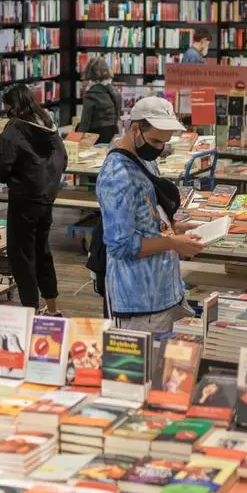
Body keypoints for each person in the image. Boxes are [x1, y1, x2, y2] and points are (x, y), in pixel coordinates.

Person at [95, 97, 202, 332]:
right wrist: (173, 243)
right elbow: (120, 245)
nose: (159, 148)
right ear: (135, 129)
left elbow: (147, 214)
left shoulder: (144, 160)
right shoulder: (117, 176)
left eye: (164, 142)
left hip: (164, 289)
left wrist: (174, 227)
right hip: (137, 300)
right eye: (155, 141)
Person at [0, 83, 66, 314]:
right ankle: (52, 308)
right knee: (43, 252)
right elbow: (63, 158)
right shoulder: (49, 125)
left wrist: (9, 177)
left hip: (23, 200)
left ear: (12, 107)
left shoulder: (15, 130)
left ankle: (29, 311)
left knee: (21, 256)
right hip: (46, 199)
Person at [75, 57, 122, 145]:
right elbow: (118, 114)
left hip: (97, 135)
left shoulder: (91, 94)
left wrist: (77, 140)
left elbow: (85, 121)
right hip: (113, 131)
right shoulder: (114, 91)